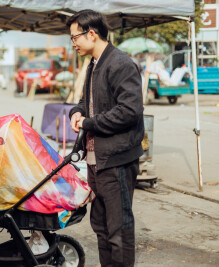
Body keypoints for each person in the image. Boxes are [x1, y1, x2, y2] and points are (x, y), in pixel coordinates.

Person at [67, 10, 144, 266]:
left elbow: (129, 112)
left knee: (118, 229)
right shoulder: (94, 64)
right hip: (96, 161)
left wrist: (87, 122)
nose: (73, 43)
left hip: (116, 160)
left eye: (75, 37)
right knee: (101, 226)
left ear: (91, 33)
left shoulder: (120, 63)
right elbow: (85, 102)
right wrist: (77, 112)